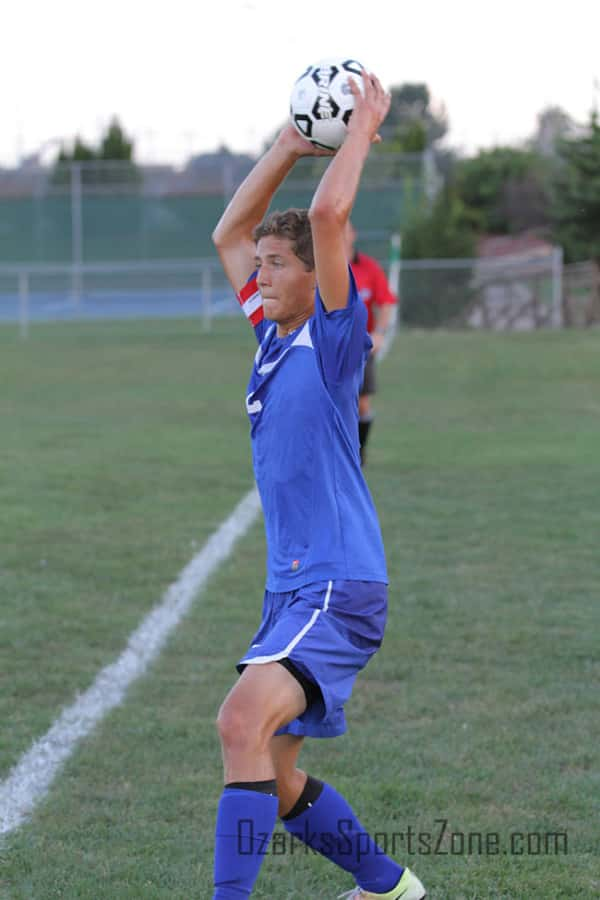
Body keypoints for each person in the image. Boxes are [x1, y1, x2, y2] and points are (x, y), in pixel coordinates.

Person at [211, 71, 426, 900]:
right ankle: (390, 887)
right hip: (295, 586)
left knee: (238, 721)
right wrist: (289, 146)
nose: (258, 274)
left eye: (274, 265)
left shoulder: (333, 341)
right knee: (272, 766)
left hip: (337, 584)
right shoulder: (270, 339)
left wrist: (363, 129)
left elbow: (331, 217)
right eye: (258, 266)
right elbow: (229, 228)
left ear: (315, 275)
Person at [345, 221, 398, 465]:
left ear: (353, 234)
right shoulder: (319, 266)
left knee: (362, 404)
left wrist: (378, 333)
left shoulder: (368, 267)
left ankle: (358, 454)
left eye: (344, 229)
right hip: (330, 346)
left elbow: (386, 301)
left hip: (360, 347)